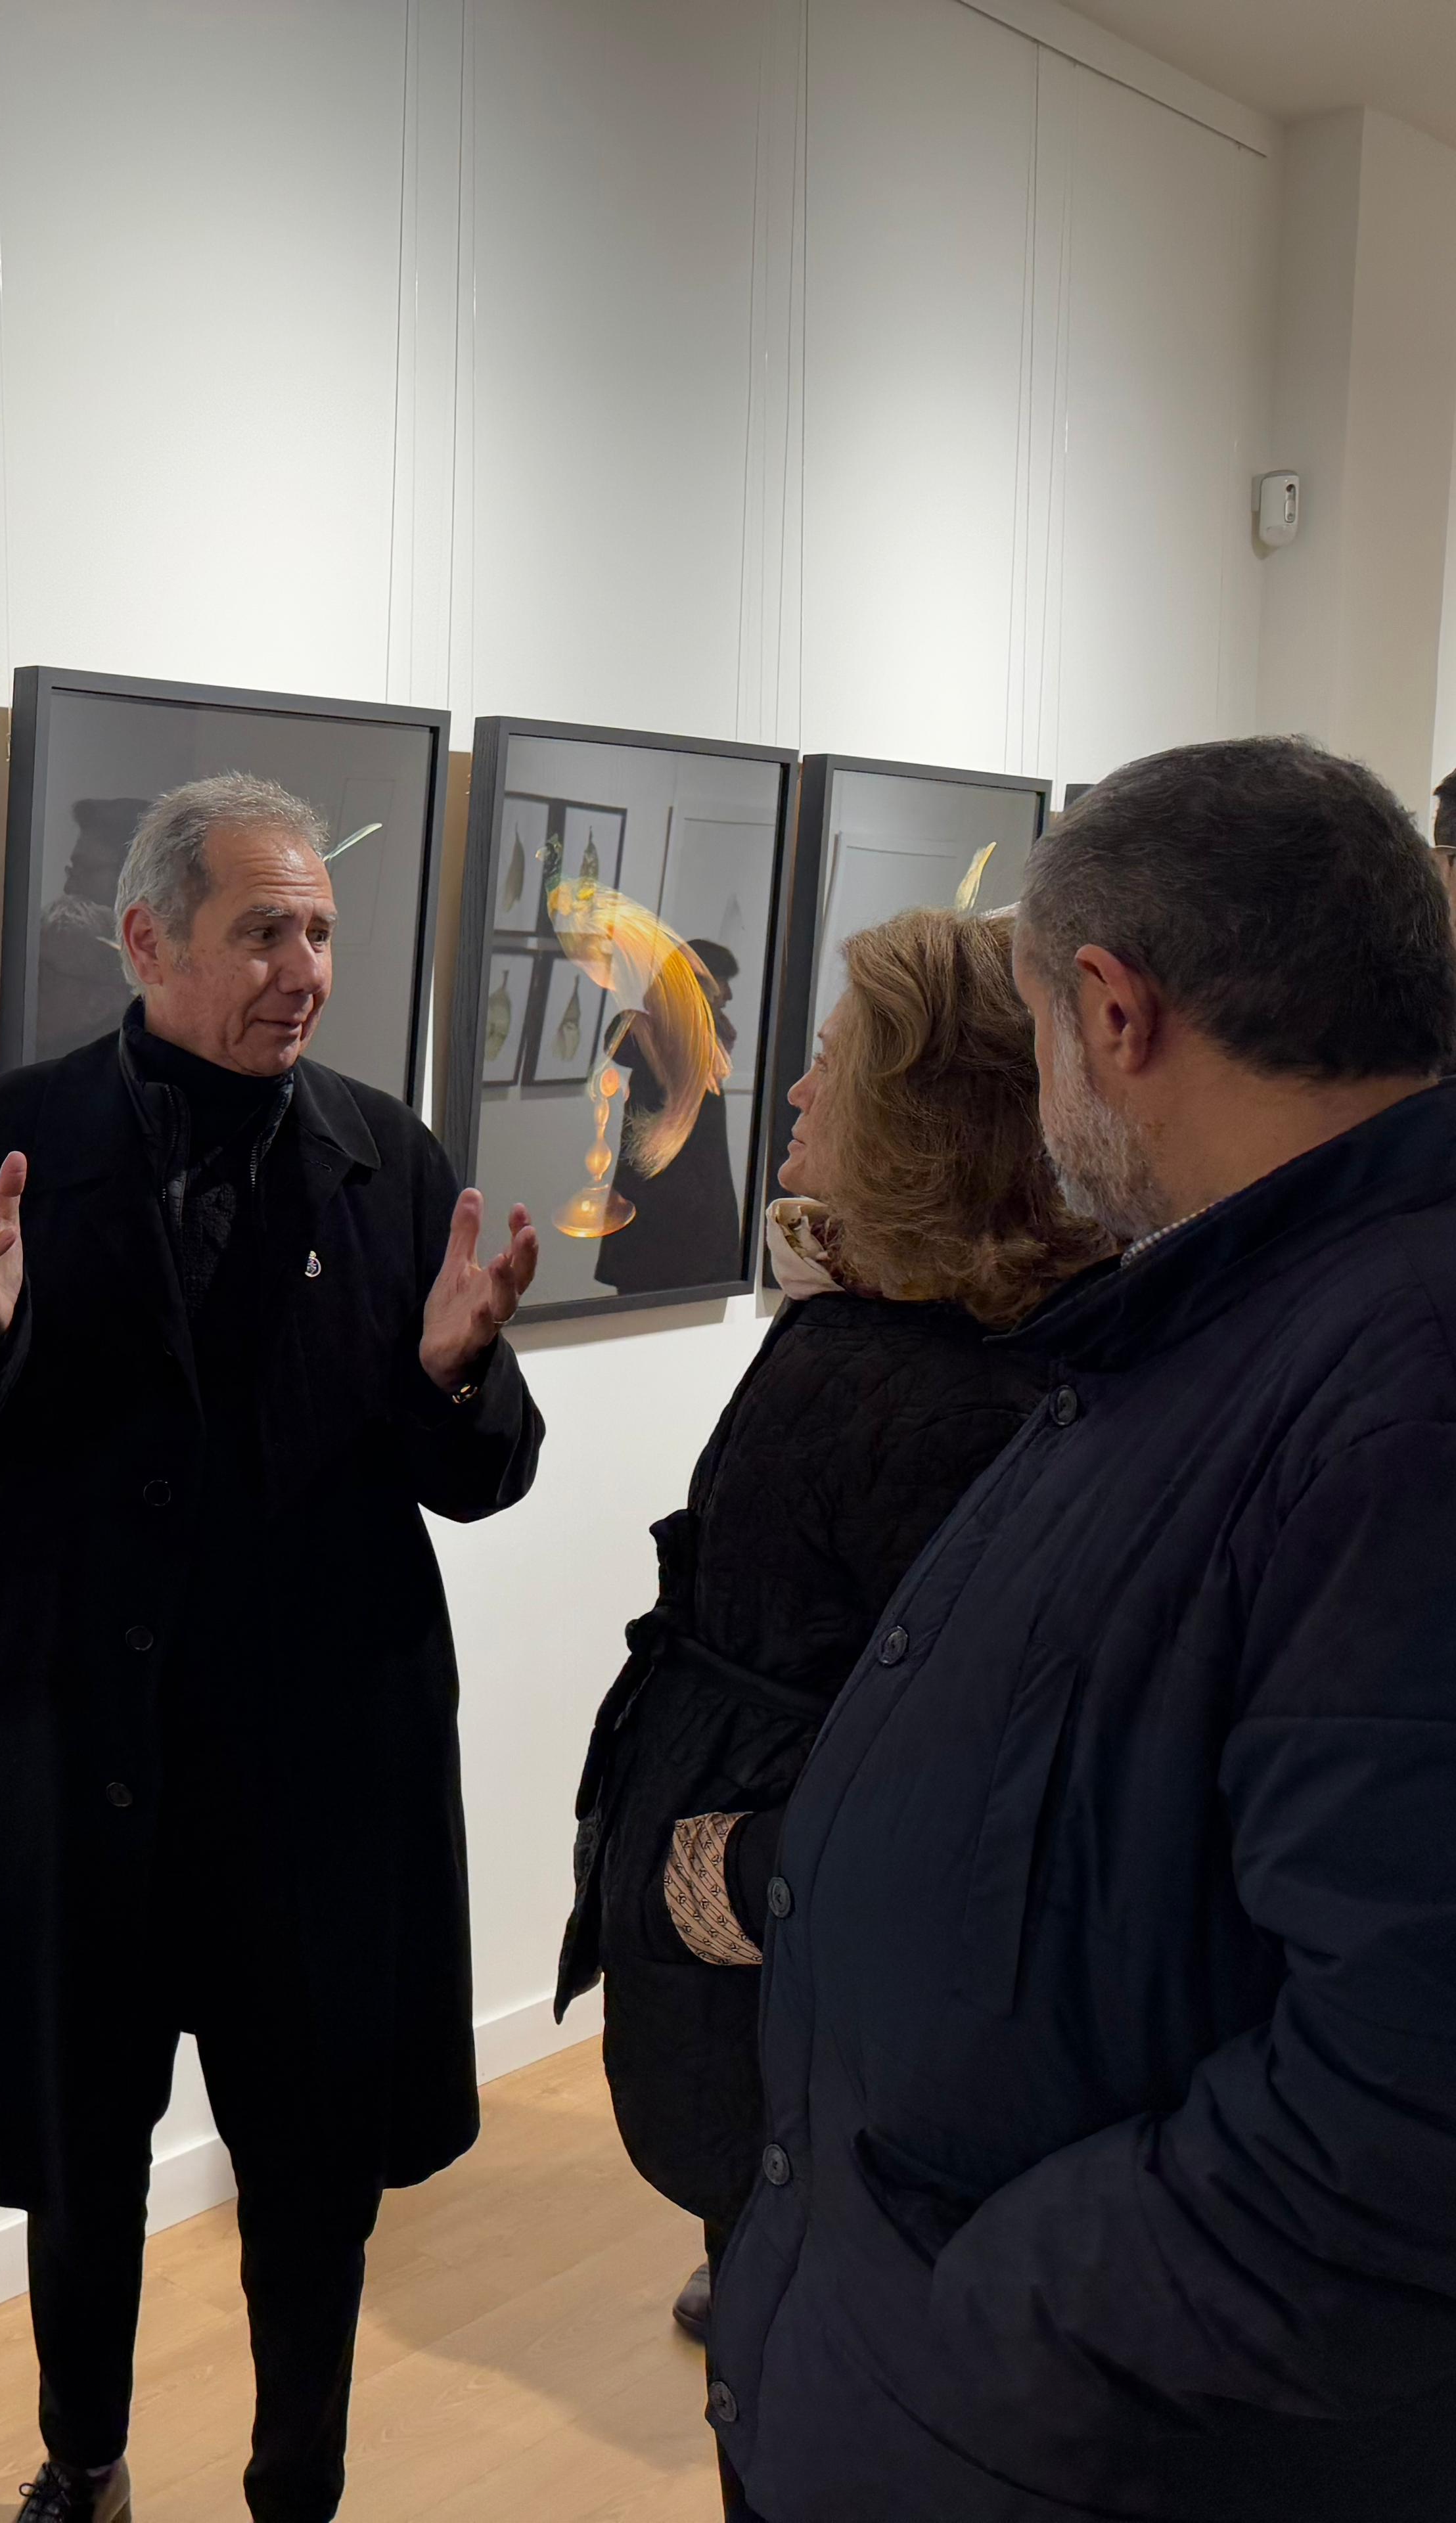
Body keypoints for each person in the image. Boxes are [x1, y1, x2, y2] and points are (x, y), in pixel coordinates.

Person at [706, 737, 1456, 2520]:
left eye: (1042, 1028)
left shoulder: (1390, 1393)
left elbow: (1408, 2106)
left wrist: (1000, 2315)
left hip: (1082, 2441)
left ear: (1114, 1015)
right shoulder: (1236, 1321)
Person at [0, 772, 544, 2523]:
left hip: (313, 1789)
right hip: (79, 1765)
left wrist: (455, 1373)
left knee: (314, 2179)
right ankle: (84, 2461)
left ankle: (297, 2484)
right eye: (263, 931)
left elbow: (482, 1473)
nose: (304, 970)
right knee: (83, 2170)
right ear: (148, 940)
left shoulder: (389, 1160)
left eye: (321, 932)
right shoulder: (4, 1145)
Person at [555, 907, 1108, 2352]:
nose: (796, 1092)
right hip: (775, 1970)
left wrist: (722, 1873)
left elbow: (954, 1767)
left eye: (832, 1062)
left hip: (804, 1977)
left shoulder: (939, 1390)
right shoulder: (892, 1328)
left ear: (928, 1118)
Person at [593, 938, 746, 1297]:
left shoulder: (703, 1045)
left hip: (696, 1226)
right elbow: (624, 1036)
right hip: (663, 1231)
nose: (727, 995)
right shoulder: (655, 1036)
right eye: (722, 982)